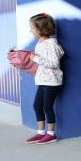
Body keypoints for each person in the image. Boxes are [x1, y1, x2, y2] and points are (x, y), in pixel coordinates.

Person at [25, 13, 64, 145]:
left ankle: (51, 134)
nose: (31, 31)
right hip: (42, 80)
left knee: (47, 107)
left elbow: (54, 63)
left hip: (52, 81)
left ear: (41, 29)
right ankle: (41, 132)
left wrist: (36, 58)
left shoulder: (51, 44)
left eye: (32, 28)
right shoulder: (40, 42)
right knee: (37, 106)